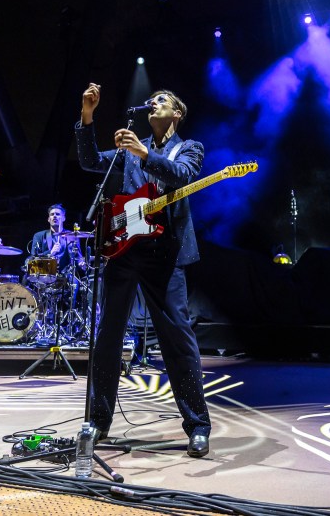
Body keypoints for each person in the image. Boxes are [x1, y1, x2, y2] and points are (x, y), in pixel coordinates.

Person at [75, 83, 211, 458]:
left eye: (163, 100)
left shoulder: (190, 147)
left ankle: (198, 425)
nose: (154, 103)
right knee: (107, 335)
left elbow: (182, 176)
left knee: (178, 340)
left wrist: (144, 152)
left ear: (177, 113)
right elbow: (89, 162)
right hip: (124, 250)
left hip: (165, 255)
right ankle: (97, 421)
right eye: (153, 101)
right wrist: (88, 116)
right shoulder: (129, 151)